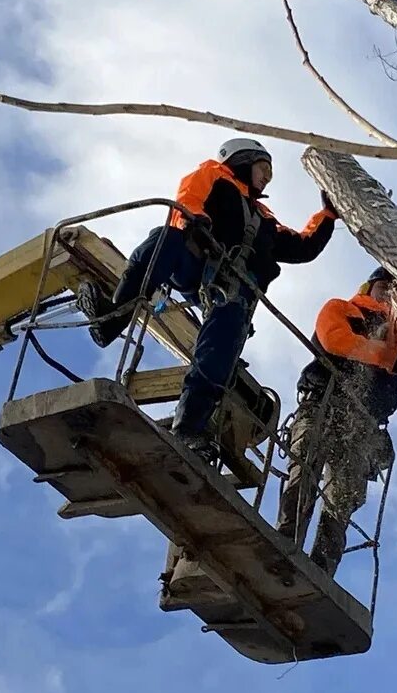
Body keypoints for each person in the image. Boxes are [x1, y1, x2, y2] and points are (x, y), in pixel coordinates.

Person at [77, 137, 339, 455]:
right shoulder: (215, 176)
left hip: (232, 289)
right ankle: (110, 319)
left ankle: (188, 428)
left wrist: (327, 215)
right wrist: (195, 221)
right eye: (263, 166)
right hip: (195, 259)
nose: (268, 175)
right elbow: (189, 200)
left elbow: (303, 246)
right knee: (164, 239)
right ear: (242, 160)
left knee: (221, 346)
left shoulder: (266, 219)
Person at [275, 267, 397, 577]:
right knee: (304, 466)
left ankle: (320, 570)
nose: (389, 293)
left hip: (364, 425)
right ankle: (283, 543)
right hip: (323, 404)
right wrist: (384, 355)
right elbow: (335, 339)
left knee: (343, 497)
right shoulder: (344, 309)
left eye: (394, 288)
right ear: (369, 287)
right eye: (384, 286)